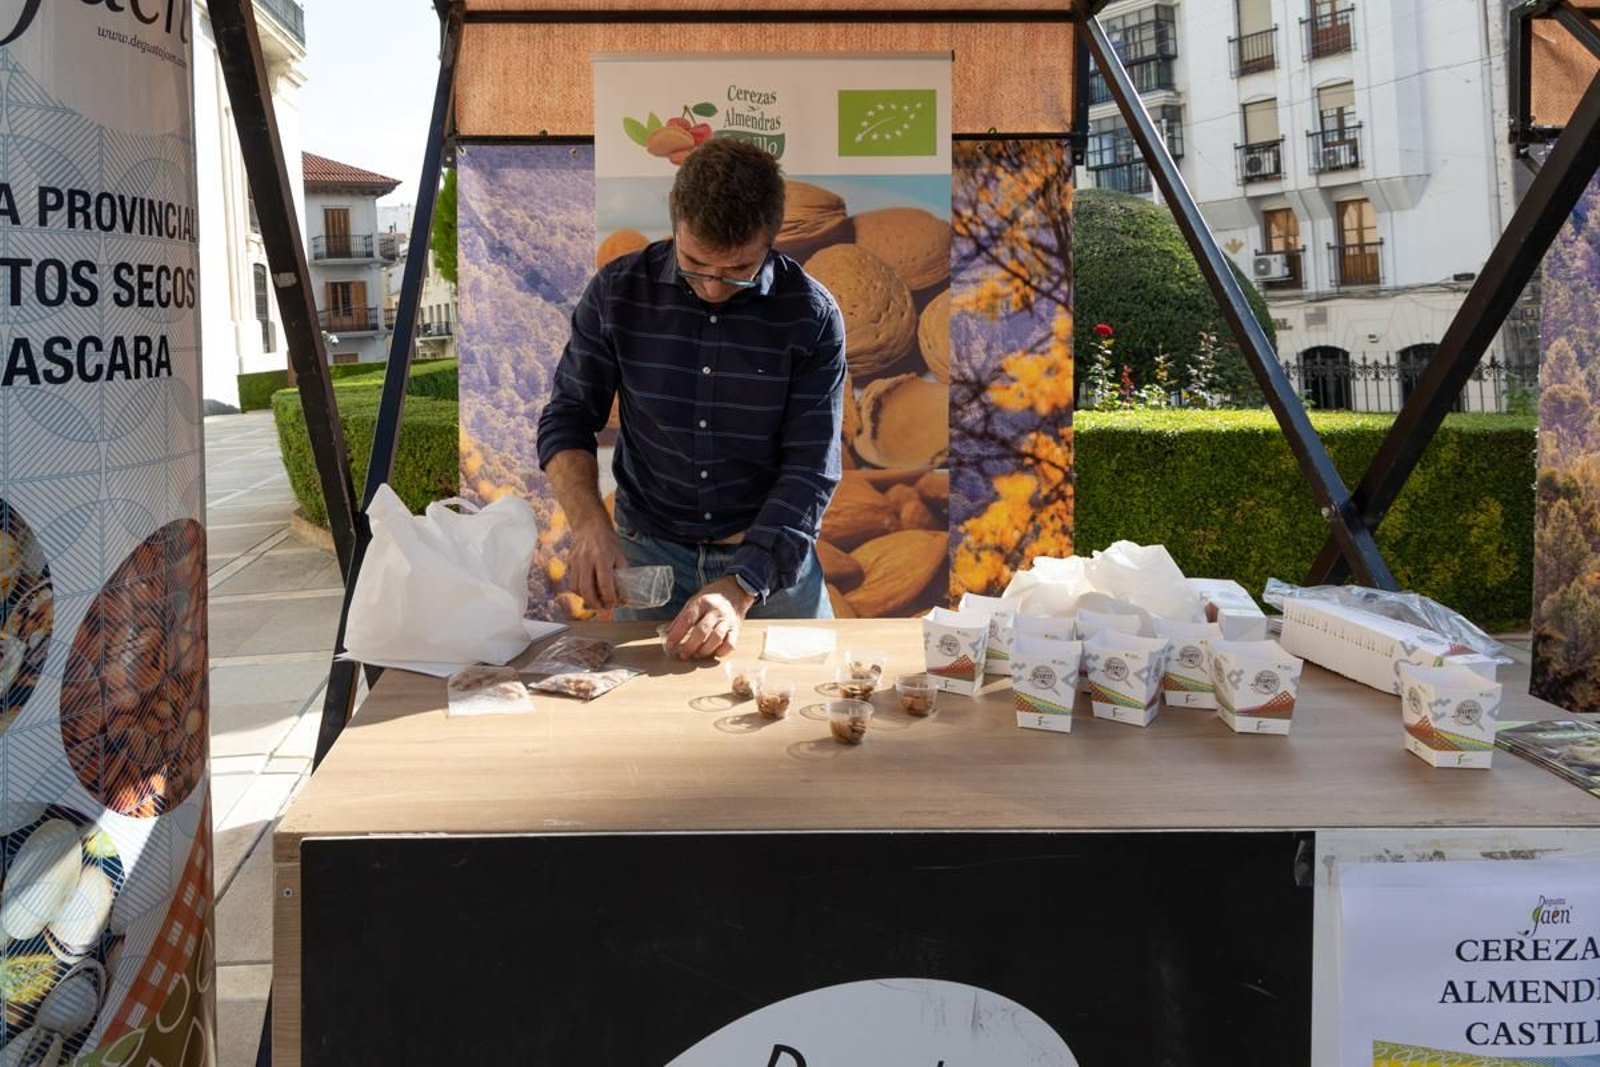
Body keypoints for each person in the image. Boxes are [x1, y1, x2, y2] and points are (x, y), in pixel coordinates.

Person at [537, 139, 846, 660]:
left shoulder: (811, 317)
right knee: (645, 726)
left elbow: (810, 471)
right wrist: (590, 523)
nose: (713, 288)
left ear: (772, 239)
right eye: (696, 263)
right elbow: (568, 416)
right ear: (675, 223)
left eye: (738, 270)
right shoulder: (618, 293)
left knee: (803, 718)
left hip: (769, 566)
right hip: (648, 556)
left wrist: (741, 585)